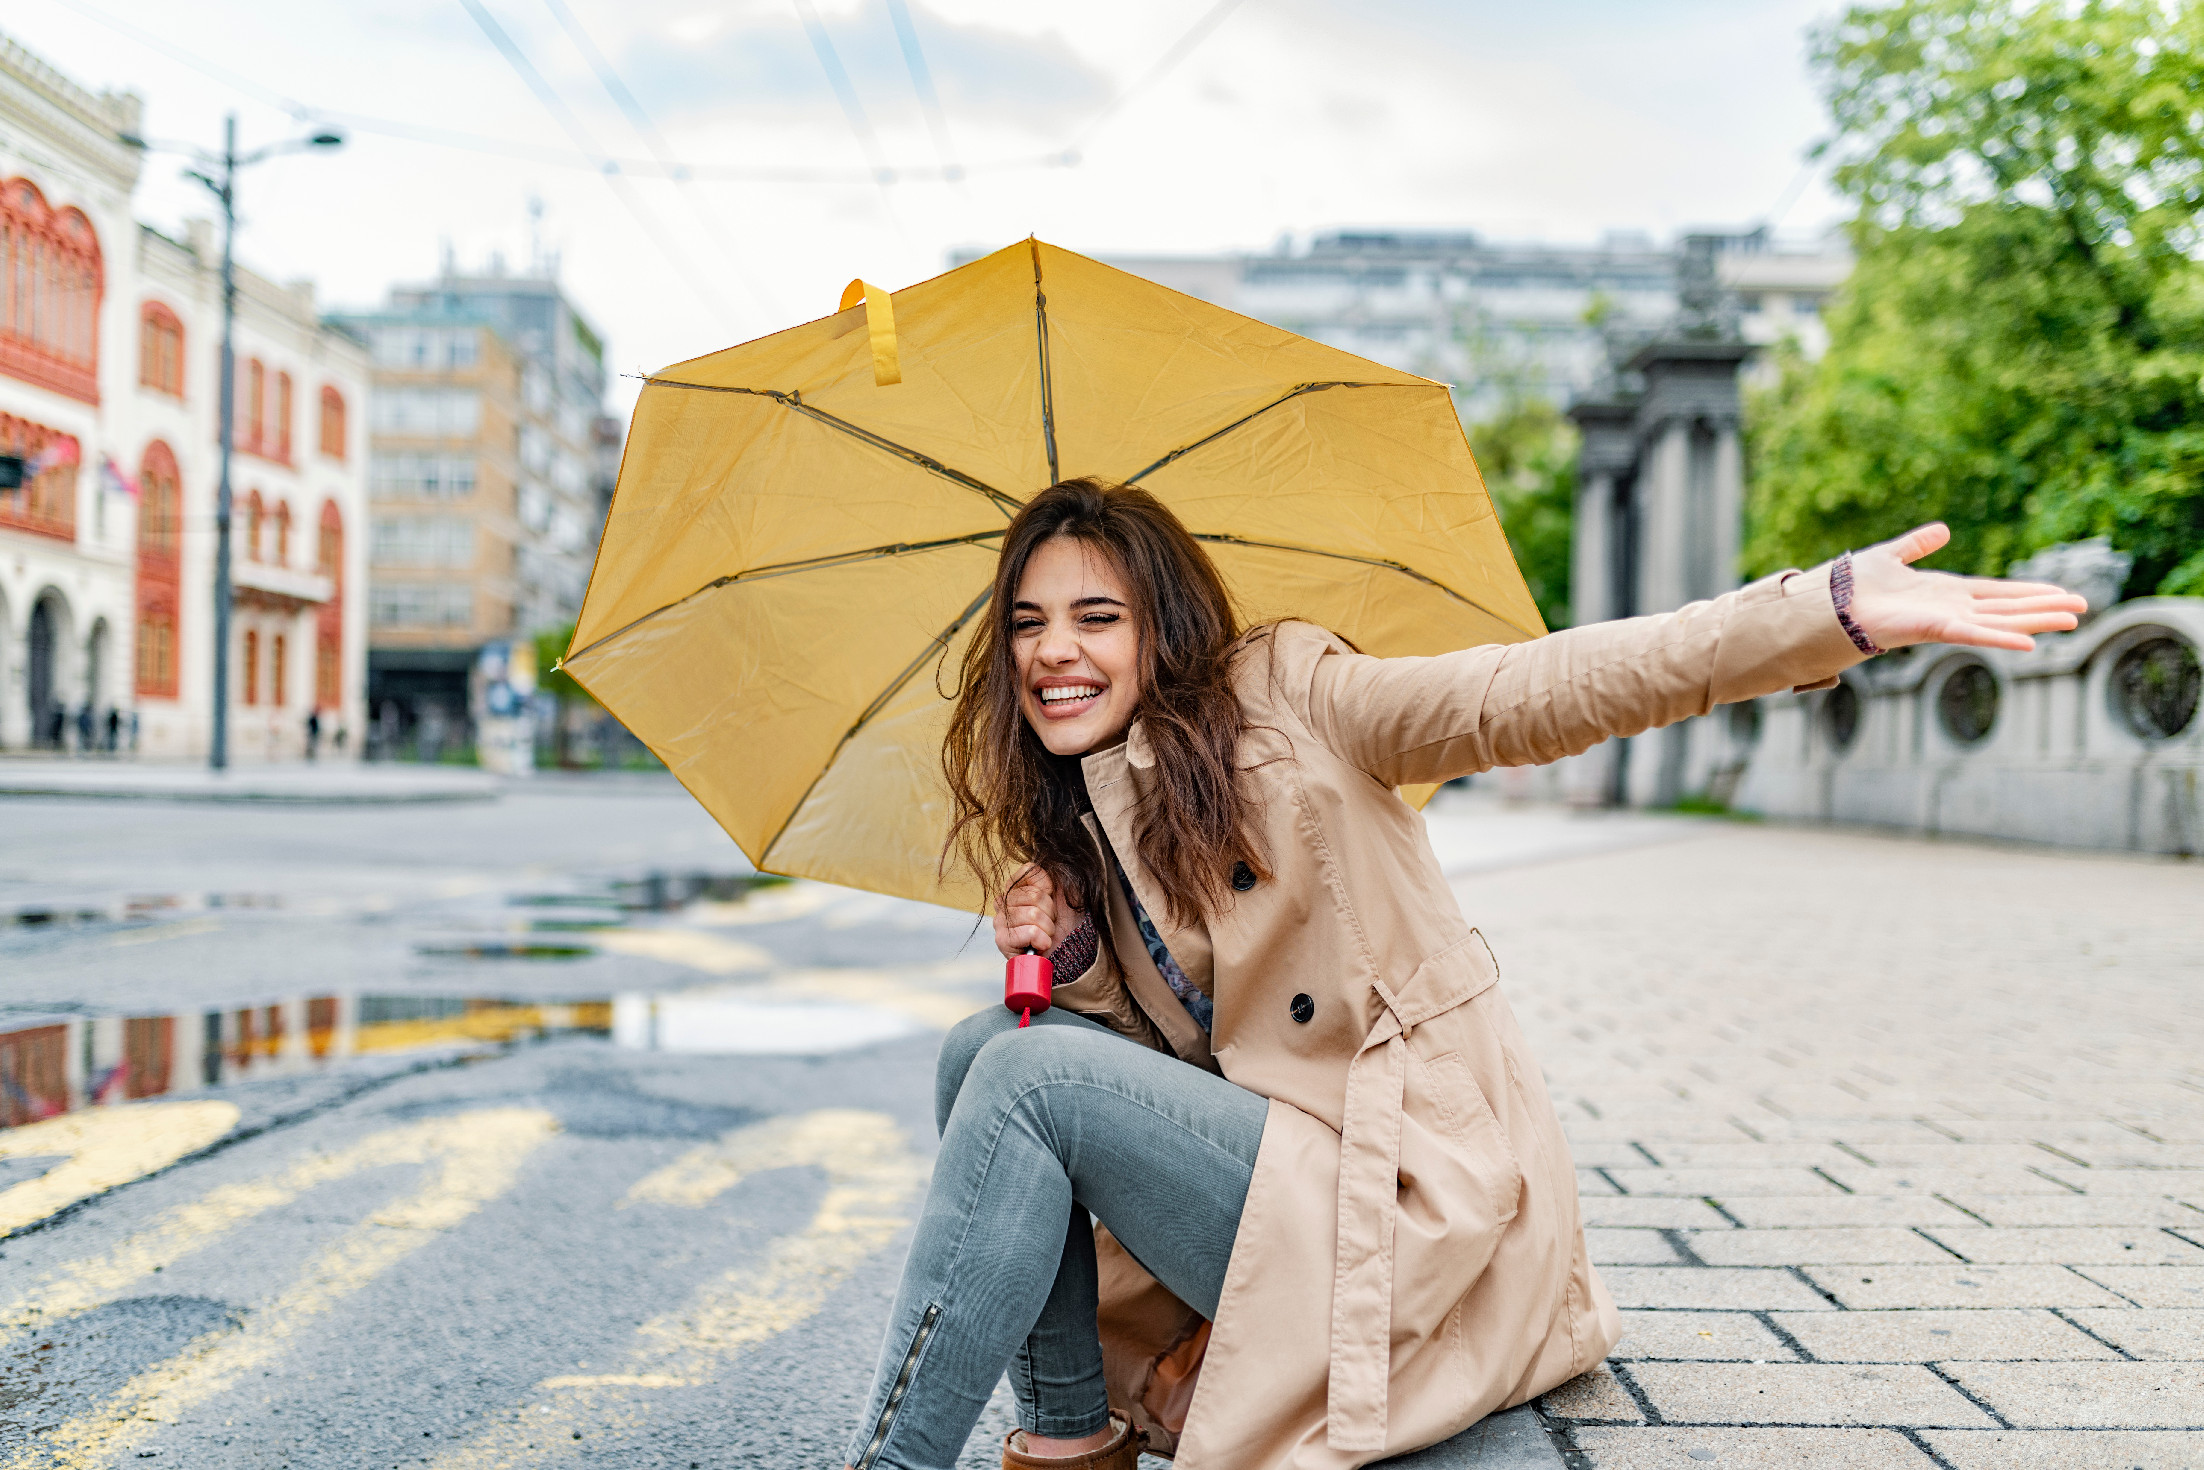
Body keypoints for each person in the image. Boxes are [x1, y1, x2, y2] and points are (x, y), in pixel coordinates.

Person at [843, 479, 2084, 1470]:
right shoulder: (1086, 817)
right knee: (986, 1051)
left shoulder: (1293, 697)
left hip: (1409, 1198)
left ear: (1160, 628)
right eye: (1026, 623)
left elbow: (1527, 692)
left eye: (1094, 618)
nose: (1052, 652)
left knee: (1018, 1079)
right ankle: (1071, 1443)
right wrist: (1069, 961)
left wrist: (1816, 614)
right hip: (1285, 1180)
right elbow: (1168, 1073)